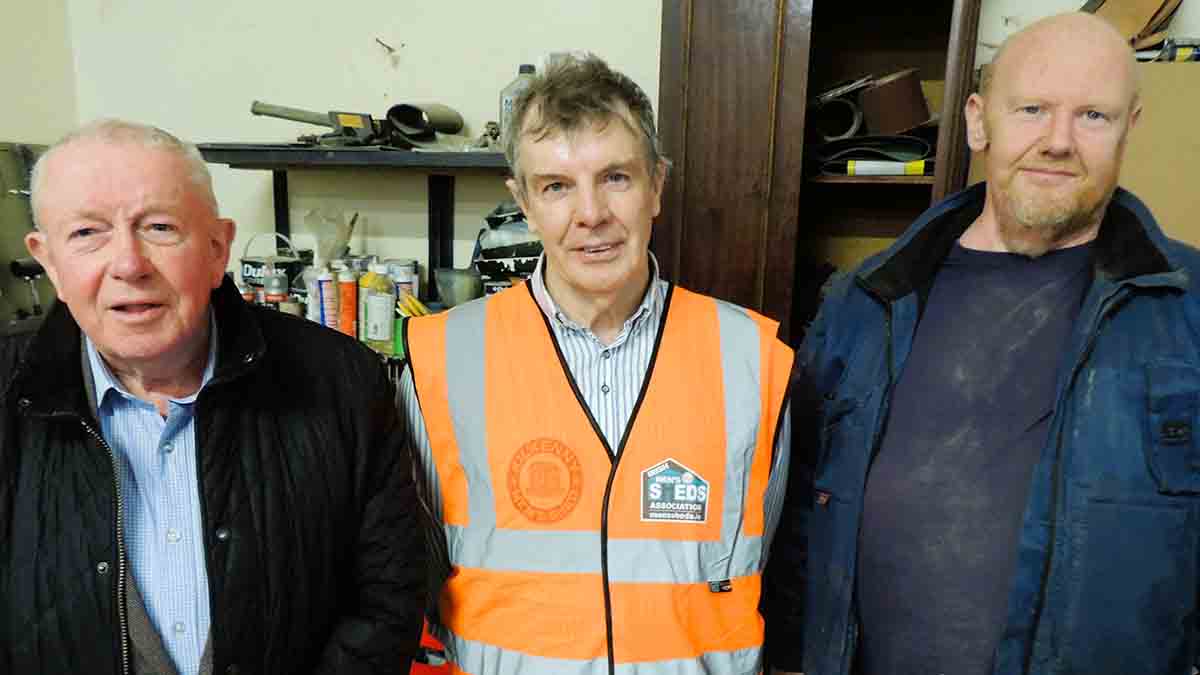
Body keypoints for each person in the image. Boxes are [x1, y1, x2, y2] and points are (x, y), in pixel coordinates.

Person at [768, 11, 1200, 675]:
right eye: (1032, 109)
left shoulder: (1187, 308)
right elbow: (802, 513)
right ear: (978, 121)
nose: (1058, 142)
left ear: (1129, 128)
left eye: (1093, 116)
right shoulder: (865, 301)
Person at [398, 53, 795, 674]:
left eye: (615, 177)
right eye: (556, 186)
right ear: (524, 202)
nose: (591, 214)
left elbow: (766, 559)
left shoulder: (753, 359)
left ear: (656, 185)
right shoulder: (439, 363)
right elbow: (416, 570)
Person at [0, 120, 426, 675]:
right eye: (87, 233)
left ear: (217, 248)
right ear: (50, 262)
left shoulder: (342, 381)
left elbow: (387, 600)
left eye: (159, 227)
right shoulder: (8, 390)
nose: (129, 264)